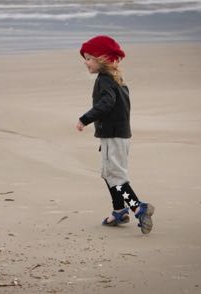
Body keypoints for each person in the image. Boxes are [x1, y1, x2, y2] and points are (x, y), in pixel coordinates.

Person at [76, 35, 155, 234]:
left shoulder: (105, 80)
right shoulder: (114, 79)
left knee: (116, 177)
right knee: (108, 173)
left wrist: (85, 119)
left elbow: (106, 104)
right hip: (116, 136)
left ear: (101, 59)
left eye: (88, 58)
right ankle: (120, 210)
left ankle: (138, 207)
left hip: (114, 136)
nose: (85, 63)